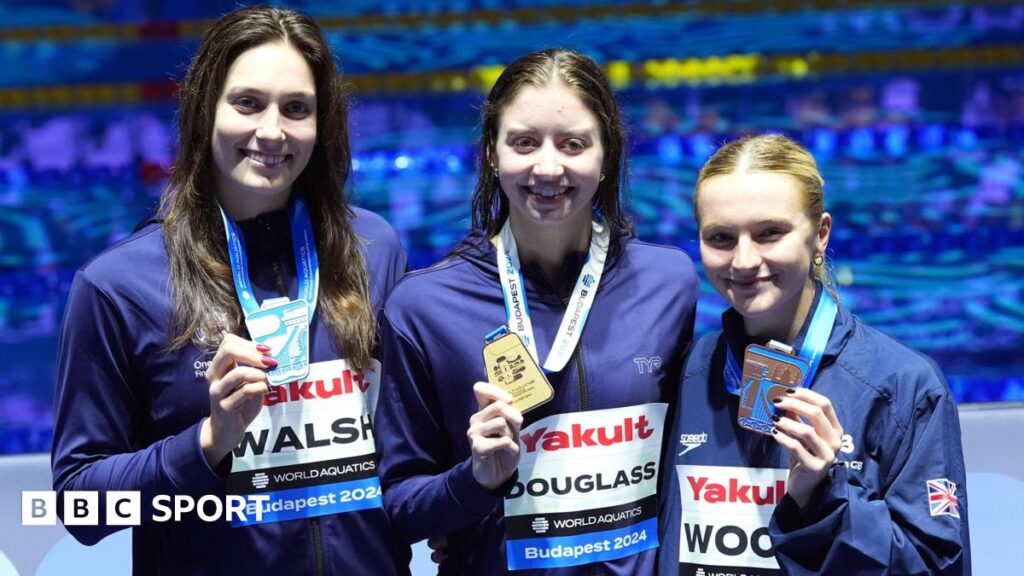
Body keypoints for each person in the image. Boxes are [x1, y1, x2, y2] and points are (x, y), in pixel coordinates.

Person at [51, 7, 410, 574]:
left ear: (323, 123)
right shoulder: (117, 287)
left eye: (297, 109)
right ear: (204, 110)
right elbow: (79, 506)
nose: (272, 131)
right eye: (247, 103)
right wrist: (208, 441)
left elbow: (404, 449)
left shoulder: (373, 250)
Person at [375, 48, 700, 574]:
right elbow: (399, 507)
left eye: (574, 144)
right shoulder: (424, 308)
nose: (548, 167)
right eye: (524, 142)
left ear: (607, 153)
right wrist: (475, 479)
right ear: (491, 153)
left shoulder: (668, 283)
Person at [658, 134, 970, 575]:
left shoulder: (903, 385)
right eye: (721, 238)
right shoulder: (687, 371)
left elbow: (937, 566)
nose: (744, 261)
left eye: (770, 233)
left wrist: (822, 494)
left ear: (820, 234)